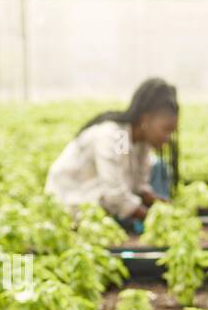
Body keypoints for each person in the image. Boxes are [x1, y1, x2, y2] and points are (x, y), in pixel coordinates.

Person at [45, 77, 179, 234]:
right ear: (146, 119)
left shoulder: (140, 144)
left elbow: (137, 186)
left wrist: (161, 205)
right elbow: (115, 194)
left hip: (93, 212)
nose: (167, 138)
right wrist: (154, 219)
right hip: (68, 207)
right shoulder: (118, 136)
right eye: (165, 129)